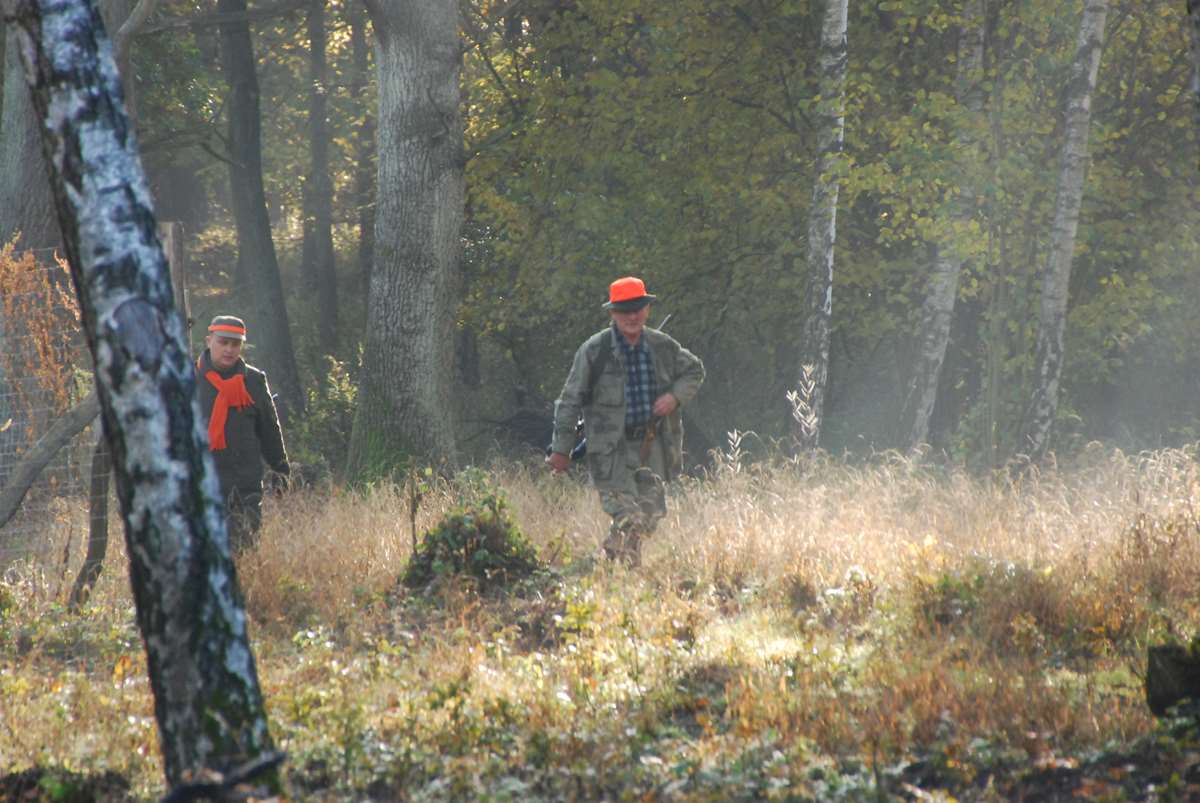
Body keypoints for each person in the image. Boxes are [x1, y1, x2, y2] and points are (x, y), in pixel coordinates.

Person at [547, 277, 704, 566]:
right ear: (612, 313)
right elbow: (569, 401)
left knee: (649, 515)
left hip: (652, 446)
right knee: (628, 515)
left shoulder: (662, 346)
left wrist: (674, 397)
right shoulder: (594, 351)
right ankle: (618, 571)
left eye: (637, 309)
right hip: (610, 451)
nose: (632, 316)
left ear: (647, 310)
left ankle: (608, 563)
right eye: (624, 311)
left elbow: (694, 371)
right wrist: (561, 449)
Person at [195, 315, 290, 552]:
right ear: (209, 341)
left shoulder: (254, 381)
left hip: (244, 486)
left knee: (242, 554)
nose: (229, 349)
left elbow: (269, 430)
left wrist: (280, 470)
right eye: (223, 342)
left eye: (235, 344)